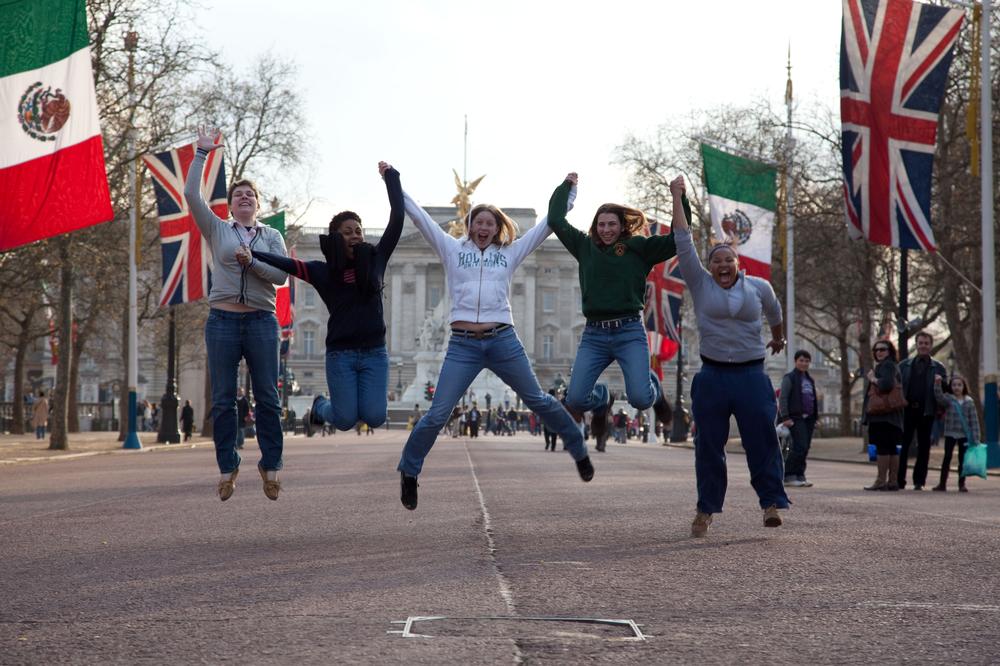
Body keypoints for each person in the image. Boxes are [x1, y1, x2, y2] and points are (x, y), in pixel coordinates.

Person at [397, 172, 593, 510]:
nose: (484, 227)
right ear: (469, 226)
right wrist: (394, 183)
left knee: (539, 401)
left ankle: (578, 447)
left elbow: (547, 224)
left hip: (503, 340)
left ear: (497, 226)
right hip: (462, 345)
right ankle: (409, 472)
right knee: (437, 413)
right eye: (478, 222)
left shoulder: (510, 253)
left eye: (489, 222)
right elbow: (419, 217)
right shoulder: (451, 249)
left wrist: (567, 192)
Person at [669, 175, 789, 536]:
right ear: (710, 266)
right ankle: (706, 509)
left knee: (762, 440)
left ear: (738, 264)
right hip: (713, 376)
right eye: (716, 260)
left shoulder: (759, 287)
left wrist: (779, 339)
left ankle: (770, 503)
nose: (722, 265)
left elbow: (776, 314)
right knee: (708, 444)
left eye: (728, 260)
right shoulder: (701, 283)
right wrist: (677, 196)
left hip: (752, 376)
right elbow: (682, 240)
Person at [253, 161, 404, 437]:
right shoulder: (322, 272)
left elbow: (397, 219)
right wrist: (251, 254)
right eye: (348, 232)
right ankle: (320, 407)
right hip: (341, 354)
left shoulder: (376, 260)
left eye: (358, 230)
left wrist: (390, 178)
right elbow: (286, 264)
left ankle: (327, 408)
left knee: (376, 415)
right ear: (336, 238)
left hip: (375, 353)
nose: (356, 235)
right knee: (345, 420)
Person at [186, 127, 287, 502]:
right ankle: (227, 467)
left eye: (251, 194)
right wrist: (201, 153)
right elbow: (190, 195)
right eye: (238, 194)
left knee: (268, 398)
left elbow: (280, 277)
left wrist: (255, 262)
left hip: (261, 320)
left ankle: (271, 466)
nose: (244, 197)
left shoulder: (272, 237)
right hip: (223, 321)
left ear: (257, 205)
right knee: (224, 400)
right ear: (230, 205)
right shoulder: (217, 229)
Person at [546, 176, 674, 452]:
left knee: (640, 399)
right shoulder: (584, 246)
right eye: (601, 225)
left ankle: (656, 390)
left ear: (622, 226)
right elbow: (556, 219)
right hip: (594, 334)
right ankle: (602, 397)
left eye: (611, 224)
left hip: (629, 331)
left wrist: (680, 199)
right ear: (595, 227)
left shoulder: (639, 248)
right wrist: (567, 187)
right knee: (576, 399)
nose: (606, 230)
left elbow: (677, 240)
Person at [897, 331, 948, 490]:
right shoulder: (903, 366)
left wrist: (940, 383)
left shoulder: (939, 367)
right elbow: (896, 387)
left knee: (924, 448)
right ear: (916, 344)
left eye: (926, 343)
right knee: (903, 446)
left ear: (930, 346)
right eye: (921, 343)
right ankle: (899, 480)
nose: (923, 346)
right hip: (906, 410)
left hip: (927, 411)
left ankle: (919, 481)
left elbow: (945, 392)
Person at [862, 340, 904, 492]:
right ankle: (892, 481)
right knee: (892, 448)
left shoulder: (886, 365)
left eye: (883, 349)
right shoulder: (894, 365)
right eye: (876, 350)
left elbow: (886, 384)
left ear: (890, 351)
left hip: (882, 414)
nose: (879, 352)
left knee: (883, 447)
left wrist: (872, 378)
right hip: (893, 414)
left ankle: (881, 481)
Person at [932, 374, 980, 492]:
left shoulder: (969, 402)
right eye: (954, 385)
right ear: (950, 386)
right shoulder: (948, 399)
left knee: (962, 459)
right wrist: (937, 384)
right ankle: (942, 484)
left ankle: (961, 483)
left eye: (959, 385)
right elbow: (938, 397)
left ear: (964, 386)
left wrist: (976, 438)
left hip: (964, 434)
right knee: (947, 457)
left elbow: (974, 421)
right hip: (950, 433)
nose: (956, 387)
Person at [779, 350, 819, 488]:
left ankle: (800, 475)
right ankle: (789, 476)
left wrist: (815, 418)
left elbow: (813, 400)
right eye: (801, 360)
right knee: (799, 447)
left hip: (809, 419)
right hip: (795, 418)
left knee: (805, 447)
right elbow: (783, 398)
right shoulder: (789, 378)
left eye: (807, 361)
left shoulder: (809, 379)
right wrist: (785, 417)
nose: (804, 363)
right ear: (796, 361)